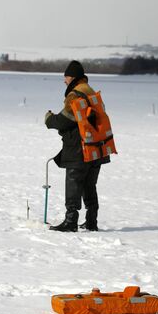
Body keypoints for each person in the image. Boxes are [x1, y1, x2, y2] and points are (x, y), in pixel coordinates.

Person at [45, 60, 110, 232]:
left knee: (73, 183)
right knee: (89, 185)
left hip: (79, 148)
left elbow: (66, 120)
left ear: (72, 77)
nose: (64, 81)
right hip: (96, 147)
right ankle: (91, 221)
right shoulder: (90, 92)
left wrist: (49, 119)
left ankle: (70, 222)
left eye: (65, 77)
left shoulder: (75, 94)